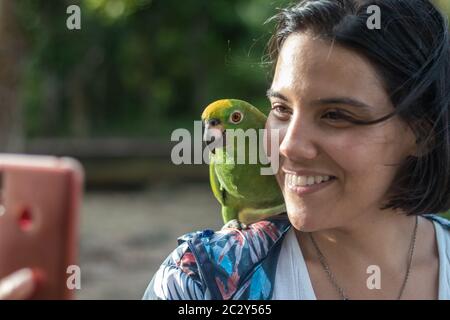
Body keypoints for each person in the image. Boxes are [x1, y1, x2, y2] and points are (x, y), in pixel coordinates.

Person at [143, 0, 450, 300]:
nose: (288, 145)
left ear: (422, 135)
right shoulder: (200, 283)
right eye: (281, 108)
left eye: (335, 115)